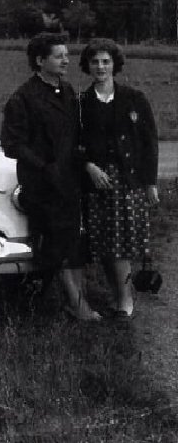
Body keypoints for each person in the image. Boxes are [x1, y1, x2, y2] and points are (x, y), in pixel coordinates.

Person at [1, 32, 101, 321]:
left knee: (72, 241)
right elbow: (11, 144)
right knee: (56, 244)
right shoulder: (23, 97)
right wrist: (45, 167)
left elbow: (75, 136)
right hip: (41, 186)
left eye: (66, 55)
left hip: (68, 182)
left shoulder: (67, 91)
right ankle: (71, 304)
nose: (66, 60)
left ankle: (68, 301)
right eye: (59, 56)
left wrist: (83, 163)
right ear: (40, 60)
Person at [78, 38, 159, 318]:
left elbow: (149, 143)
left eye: (106, 61)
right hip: (97, 183)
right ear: (87, 66)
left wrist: (150, 183)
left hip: (127, 181)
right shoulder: (81, 103)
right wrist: (88, 166)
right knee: (103, 243)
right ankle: (116, 295)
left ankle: (125, 300)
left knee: (121, 244)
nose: (100, 67)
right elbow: (74, 143)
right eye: (95, 62)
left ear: (115, 64)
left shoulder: (134, 98)